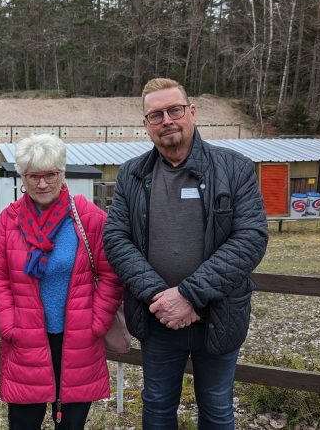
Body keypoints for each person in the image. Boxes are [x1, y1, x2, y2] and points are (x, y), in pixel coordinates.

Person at [103, 78, 269, 429]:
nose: (167, 120)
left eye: (174, 110)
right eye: (155, 114)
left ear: (191, 112)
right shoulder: (132, 174)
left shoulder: (235, 169)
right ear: (145, 125)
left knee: (217, 408)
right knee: (158, 406)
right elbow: (116, 238)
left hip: (219, 314)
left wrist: (190, 296)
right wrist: (161, 298)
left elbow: (251, 238)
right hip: (158, 318)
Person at [0, 133, 123, 430]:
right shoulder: (8, 222)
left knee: (71, 424)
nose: (43, 183)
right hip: (26, 338)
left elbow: (111, 273)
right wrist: (9, 323)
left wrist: (97, 322)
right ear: (23, 176)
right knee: (23, 423)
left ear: (63, 173)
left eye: (51, 174)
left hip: (78, 338)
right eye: (35, 176)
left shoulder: (88, 217)